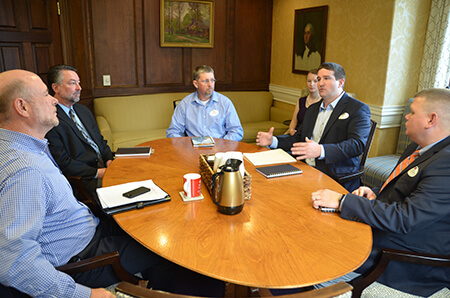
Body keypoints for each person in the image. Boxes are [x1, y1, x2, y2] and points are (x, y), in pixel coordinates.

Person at [0, 69, 224, 297]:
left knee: (159, 218)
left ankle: (166, 280)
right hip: (85, 256)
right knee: (177, 247)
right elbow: (13, 262)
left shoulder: (27, 149)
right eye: (45, 94)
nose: (52, 101)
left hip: (92, 228)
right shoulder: (25, 169)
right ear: (22, 107)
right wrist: (85, 295)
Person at [311, 88, 450, 296]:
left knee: (321, 253)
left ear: (431, 120)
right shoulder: (417, 147)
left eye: (412, 112)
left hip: (406, 255)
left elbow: (406, 219)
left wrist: (342, 201)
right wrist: (375, 192)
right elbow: (401, 188)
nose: (406, 116)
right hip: (387, 230)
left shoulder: (446, 163)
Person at [257, 62, 371, 192]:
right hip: (304, 170)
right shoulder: (312, 109)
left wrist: (321, 151)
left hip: (335, 177)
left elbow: (357, 145)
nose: (320, 83)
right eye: (319, 79)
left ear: (340, 82)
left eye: (326, 78)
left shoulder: (357, 109)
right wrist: (273, 141)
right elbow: (298, 139)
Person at [45, 65, 113, 199]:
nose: (79, 88)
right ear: (55, 88)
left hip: (105, 168)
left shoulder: (83, 110)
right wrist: (98, 173)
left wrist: (109, 159)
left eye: (79, 83)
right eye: (72, 83)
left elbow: (100, 141)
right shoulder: (51, 119)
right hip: (85, 179)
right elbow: (63, 163)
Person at [166, 65, 244, 141]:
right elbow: (173, 132)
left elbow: (237, 131)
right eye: (205, 81)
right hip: (193, 149)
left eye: (212, 80)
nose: (210, 84)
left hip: (219, 150)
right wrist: (185, 146)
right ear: (196, 84)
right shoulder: (184, 104)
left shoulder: (225, 103)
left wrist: (222, 144)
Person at [286, 69, 321, 136]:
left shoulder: (324, 103)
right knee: (272, 143)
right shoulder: (301, 101)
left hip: (310, 138)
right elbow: (293, 121)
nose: (311, 84)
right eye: (309, 81)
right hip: (295, 135)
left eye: (315, 81)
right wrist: (291, 131)